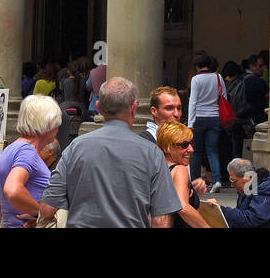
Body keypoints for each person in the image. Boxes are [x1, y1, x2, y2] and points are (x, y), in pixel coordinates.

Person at [38, 77, 182, 228]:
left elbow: (47, 209)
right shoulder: (152, 153)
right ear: (133, 107)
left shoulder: (75, 148)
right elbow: (161, 221)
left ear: (99, 107)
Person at [0, 94, 61, 228]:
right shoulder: (27, 152)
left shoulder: (11, 149)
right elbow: (12, 190)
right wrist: (40, 214)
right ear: (48, 124)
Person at [142, 85, 208, 195]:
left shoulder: (181, 136)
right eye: (169, 108)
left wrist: (191, 190)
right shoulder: (145, 143)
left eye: (179, 108)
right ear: (154, 111)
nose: (176, 114)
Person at [206, 158, 270, 228]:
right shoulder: (246, 189)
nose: (232, 185)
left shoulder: (269, 189)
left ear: (248, 177)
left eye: (233, 180)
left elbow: (253, 220)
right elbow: (241, 219)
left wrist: (222, 210)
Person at [157, 121, 206, 228]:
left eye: (191, 144)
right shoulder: (179, 169)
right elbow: (183, 207)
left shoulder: (158, 170)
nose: (191, 149)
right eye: (184, 145)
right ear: (167, 147)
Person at [186, 53, 224, 192]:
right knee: (212, 151)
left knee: (196, 152)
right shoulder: (218, 77)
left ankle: (195, 182)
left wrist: (190, 123)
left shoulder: (196, 79)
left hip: (199, 118)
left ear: (197, 65)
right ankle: (217, 180)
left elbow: (193, 101)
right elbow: (224, 96)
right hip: (215, 117)